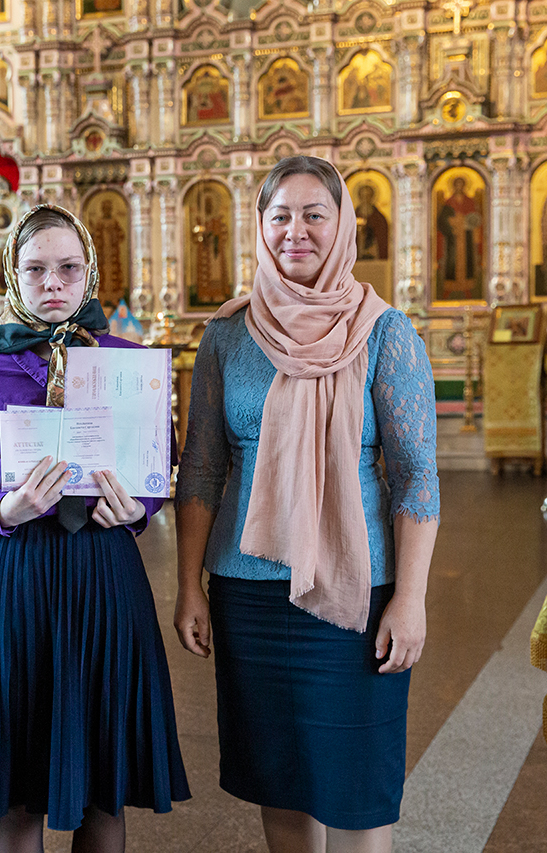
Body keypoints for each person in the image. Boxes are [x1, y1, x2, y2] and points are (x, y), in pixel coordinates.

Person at [174, 155, 440, 853]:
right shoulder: (227, 335)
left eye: (314, 214)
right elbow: (201, 465)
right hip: (248, 593)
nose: (296, 230)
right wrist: (188, 585)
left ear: (343, 224)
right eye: (281, 216)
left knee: (357, 787)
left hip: (354, 594)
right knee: (282, 780)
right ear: (260, 227)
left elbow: (416, 476)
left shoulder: (385, 333)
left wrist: (410, 600)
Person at [0, 205, 190, 852]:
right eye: (36, 269)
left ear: (90, 273)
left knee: (104, 789)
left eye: (69, 268)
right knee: (16, 794)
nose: (53, 282)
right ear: (12, 277)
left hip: (104, 575)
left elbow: (160, 466)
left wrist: (138, 508)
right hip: (15, 580)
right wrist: (2, 510)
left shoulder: (130, 365)